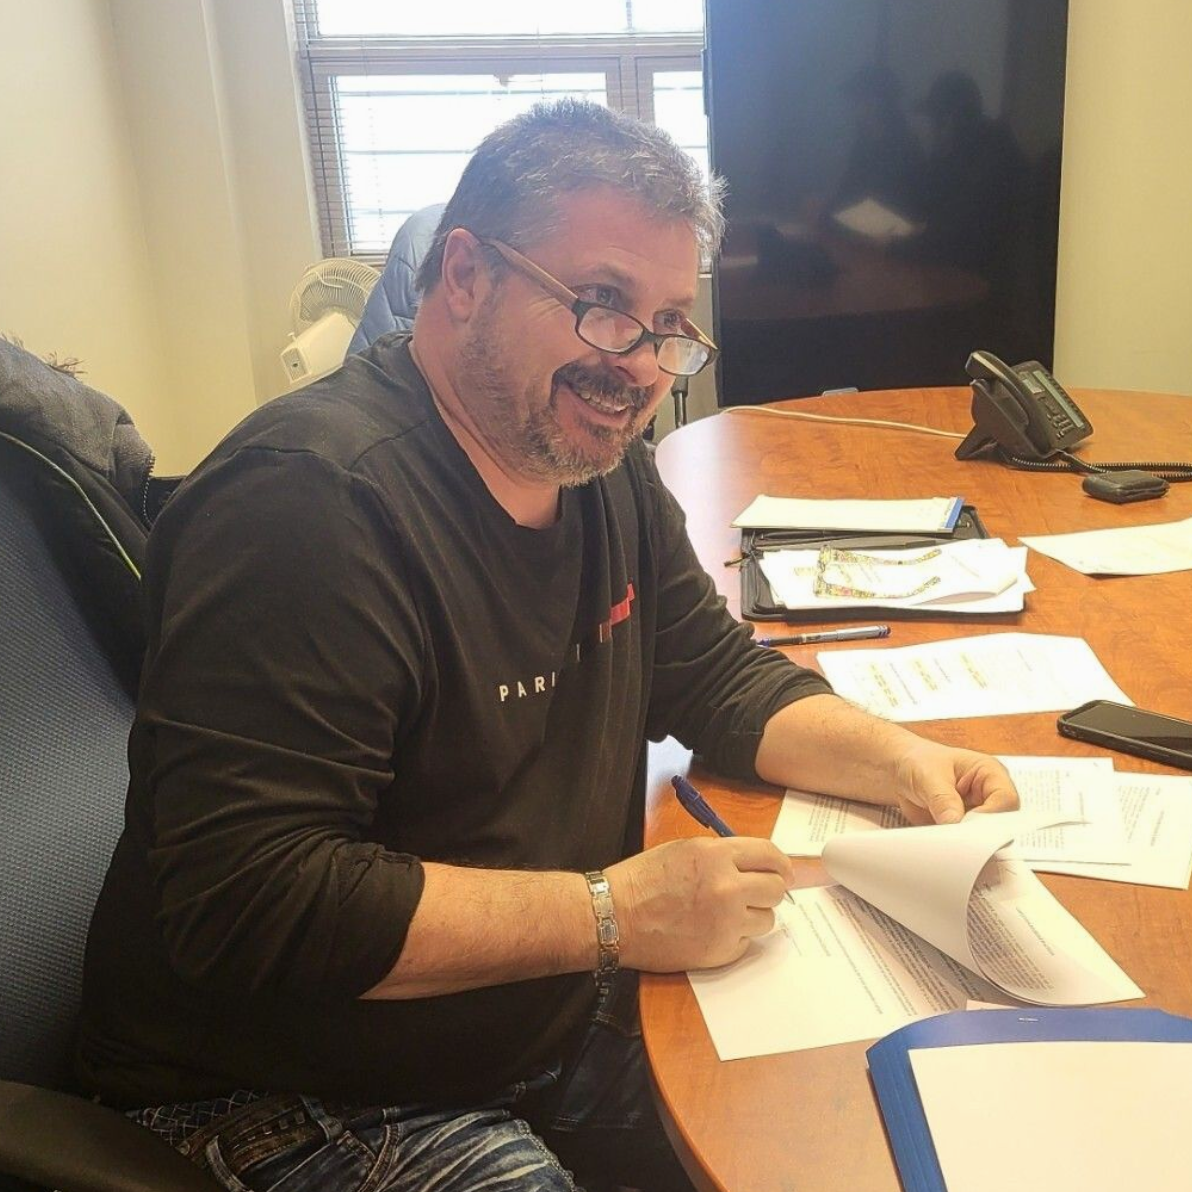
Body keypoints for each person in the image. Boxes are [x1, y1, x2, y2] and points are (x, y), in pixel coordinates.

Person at [77, 99, 1018, 1192]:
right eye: (601, 304)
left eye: (670, 323)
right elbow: (254, 902)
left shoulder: (596, 467)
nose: (642, 366)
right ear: (465, 275)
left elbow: (710, 677)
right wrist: (615, 914)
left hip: (530, 1017)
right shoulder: (308, 509)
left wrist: (899, 763)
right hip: (276, 1088)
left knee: (857, 1121)